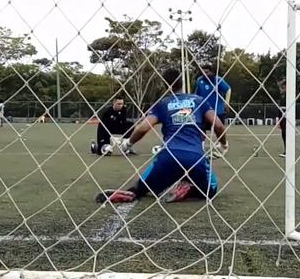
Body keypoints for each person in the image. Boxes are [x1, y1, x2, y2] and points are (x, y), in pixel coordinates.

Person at [95, 68, 228, 204]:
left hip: (169, 157)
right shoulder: (199, 101)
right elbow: (218, 125)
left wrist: (128, 143)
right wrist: (223, 144)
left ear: (165, 85)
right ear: (182, 82)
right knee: (211, 189)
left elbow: (143, 128)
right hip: (195, 157)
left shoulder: (163, 104)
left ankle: (133, 192)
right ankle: (190, 189)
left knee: (145, 186)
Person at [277, 79, 286, 158]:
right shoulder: (282, 97)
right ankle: (286, 150)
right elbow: (280, 109)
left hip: (287, 118)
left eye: (282, 87)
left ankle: (287, 151)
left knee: (286, 134)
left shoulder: (288, 96)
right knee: (283, 134)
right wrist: (279, 120)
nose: (281, 89)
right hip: (282, 118)